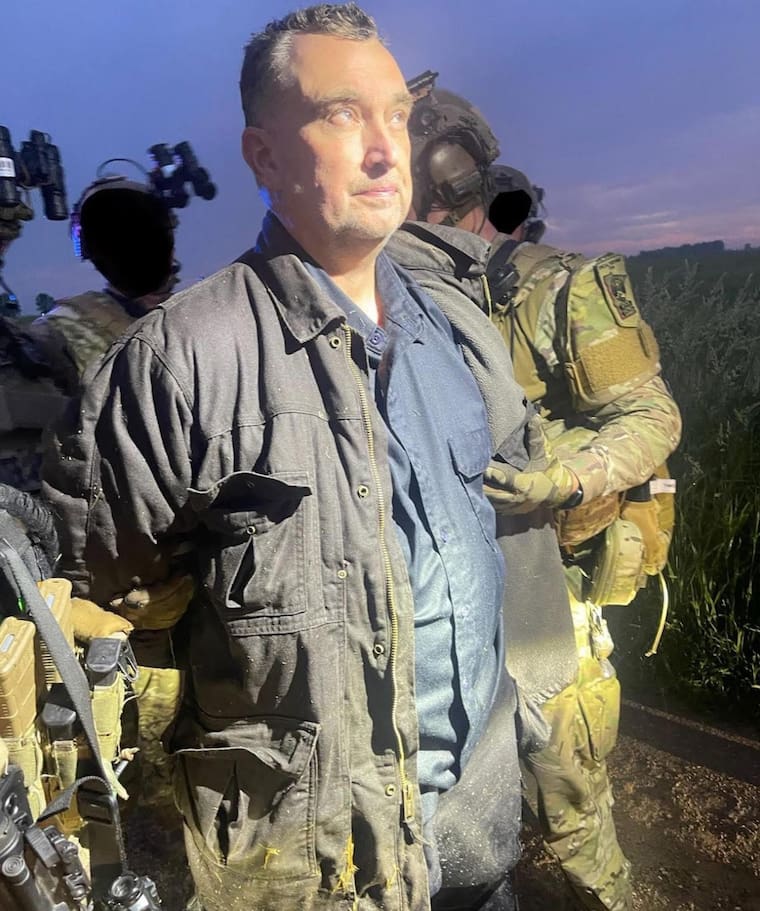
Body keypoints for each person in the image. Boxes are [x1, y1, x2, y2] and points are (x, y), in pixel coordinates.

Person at [42, 6, 544, 909]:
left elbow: (505, 514)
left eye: (397, 115)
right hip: (319, 863)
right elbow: (87, 594)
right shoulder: (179, 363)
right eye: (342, 114)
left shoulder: (457, 329)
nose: (386, 149)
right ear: (263, 156)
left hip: (478, 822)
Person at [400, 84, 682, 911]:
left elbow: (653, 417)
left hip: (546, 579)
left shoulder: (560, 288)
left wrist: (564, 478)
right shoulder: (398, 298)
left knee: (565, 784)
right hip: (446, 585)